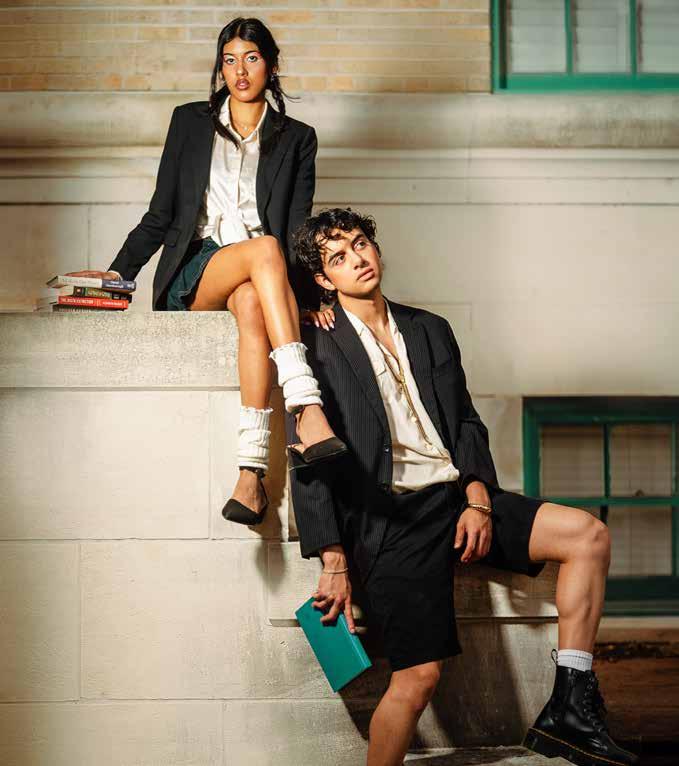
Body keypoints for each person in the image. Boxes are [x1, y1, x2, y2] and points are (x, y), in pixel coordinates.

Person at [285, 207, 639, 766]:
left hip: (457, 496)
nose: (357, 259)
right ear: (323, 279)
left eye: (361, 243)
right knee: (417, 679)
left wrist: (478, 498)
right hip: (393, 519)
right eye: (338, 256)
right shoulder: (314, 343)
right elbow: (308, 457)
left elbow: (466, 422)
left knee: (588, 536)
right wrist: (333, 557)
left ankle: (570, 707)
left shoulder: (430, 328)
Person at [64, 18, 346, 526]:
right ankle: (307, 406)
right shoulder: (189, 122)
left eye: (252, 59)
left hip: (260, 276)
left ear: (271, 66)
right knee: (263, 249)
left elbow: (296, 230)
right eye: (230, 60)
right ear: (220, 67)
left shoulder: (298, 138)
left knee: (256, 299)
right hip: (197, 269)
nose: (240, 71)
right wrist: (116, 279)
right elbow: (161, 214)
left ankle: (250, 474)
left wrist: (306, 298)